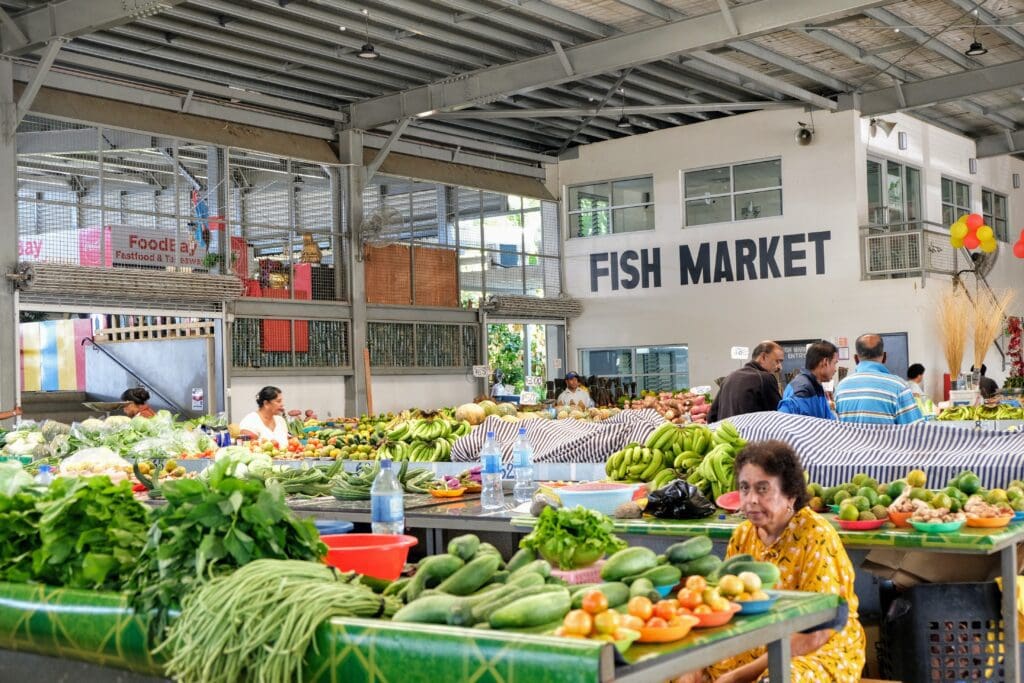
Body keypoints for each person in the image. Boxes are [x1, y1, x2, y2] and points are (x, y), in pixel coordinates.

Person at [704, 440, 865, 682]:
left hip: (814, 648)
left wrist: (738, 676)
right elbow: (728, 608)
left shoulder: (815, 536)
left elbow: (818, 633)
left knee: (781, 678)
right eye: (745, 488)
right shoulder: (743, 535)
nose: (751, 500)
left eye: (763, 489)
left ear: (790, 494)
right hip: (755, 644)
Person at [833, 334, 923, 425]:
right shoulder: (899, 387)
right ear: (884, 357)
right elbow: (916, 429)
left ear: (856, 359)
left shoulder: (841, 388)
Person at [708, 341, 784, 422]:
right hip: (751, 434)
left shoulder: (728, 378)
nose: (780, 367)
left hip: (727, 433)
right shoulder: (765, 378)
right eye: (777, 361)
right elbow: (778, 415)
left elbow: (711, 416)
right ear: (763, 357)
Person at [777, 341, 838, 419]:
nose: (835, 369)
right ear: (825, 362)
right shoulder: (801, 390)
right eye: (834, 363)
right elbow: (782, 420)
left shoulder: (816, 386)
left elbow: (829, 420)